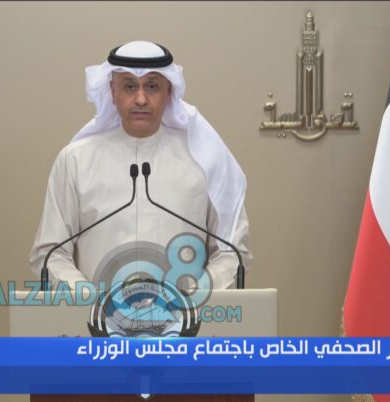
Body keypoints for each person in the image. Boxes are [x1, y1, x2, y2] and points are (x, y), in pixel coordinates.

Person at [29, 41, 252, 292]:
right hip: (96, 312)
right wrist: (90, 298)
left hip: (184, 312)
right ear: (113, 91)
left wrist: (191, 298)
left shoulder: (204, 158)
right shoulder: (75, 161)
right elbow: (50, 253)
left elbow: (232, 252)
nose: (141, 99)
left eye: (152, 86)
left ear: (169, 91)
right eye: (129, 86)